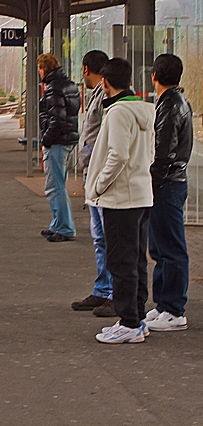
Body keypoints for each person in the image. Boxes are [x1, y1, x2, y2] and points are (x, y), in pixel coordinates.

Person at [86, 58, 155, 344]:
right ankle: (137, 318)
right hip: (141, 194)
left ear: (104, 82)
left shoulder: (117, 113)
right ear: (130, 81)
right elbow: (150, 153)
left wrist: (99, 185)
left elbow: (117, 155)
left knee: (120, 262)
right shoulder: (146, 110)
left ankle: (128, 323)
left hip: (119, 199)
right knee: (136, 260)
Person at [145, 53, 192, 332]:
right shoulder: (178, 102)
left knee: (171, 247)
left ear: (154, 75)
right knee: (161, 246)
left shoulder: (169, 106)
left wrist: (153, 182)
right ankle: (164, 304)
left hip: (167, 183)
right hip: (172, 181)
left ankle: (174, 310)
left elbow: (164, 152)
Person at [71, 50, 115, 316]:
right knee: (99, 236)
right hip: (92, 171)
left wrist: (94, 163)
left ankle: (112, 293)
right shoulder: (99, 93)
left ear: (86, 69)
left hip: (100, 174)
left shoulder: (106, 95)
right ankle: (103, 289)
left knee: (108, 236)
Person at [38, 53, 81, 242]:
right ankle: (57, 224)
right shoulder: (69, 84)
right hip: (68, 139)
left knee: (54, 187)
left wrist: (46, 139)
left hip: (57, 142)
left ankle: (64, 228)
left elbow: (57, 119)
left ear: (43, 69)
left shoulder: (53, 88)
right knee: (59, 184)